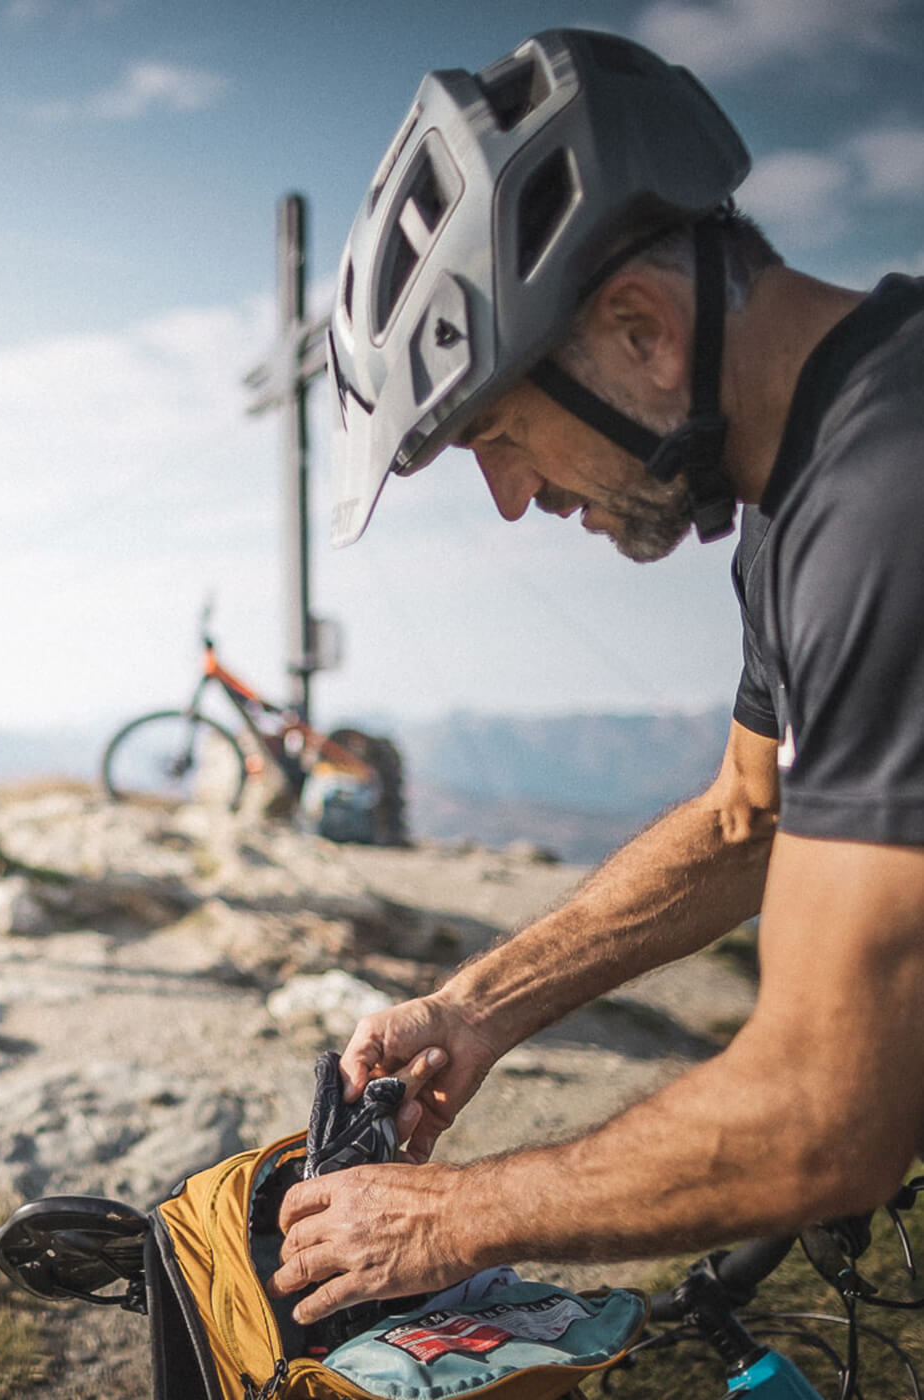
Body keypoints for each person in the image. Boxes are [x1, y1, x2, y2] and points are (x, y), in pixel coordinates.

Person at [269, 28, 924, 1326]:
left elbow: (826, 1122)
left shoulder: (889, 506)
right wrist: (475, 1007)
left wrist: (455, 1214)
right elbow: (751, 815)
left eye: (498, 435)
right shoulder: (812, 481)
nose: (511, 500)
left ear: (639, 331)